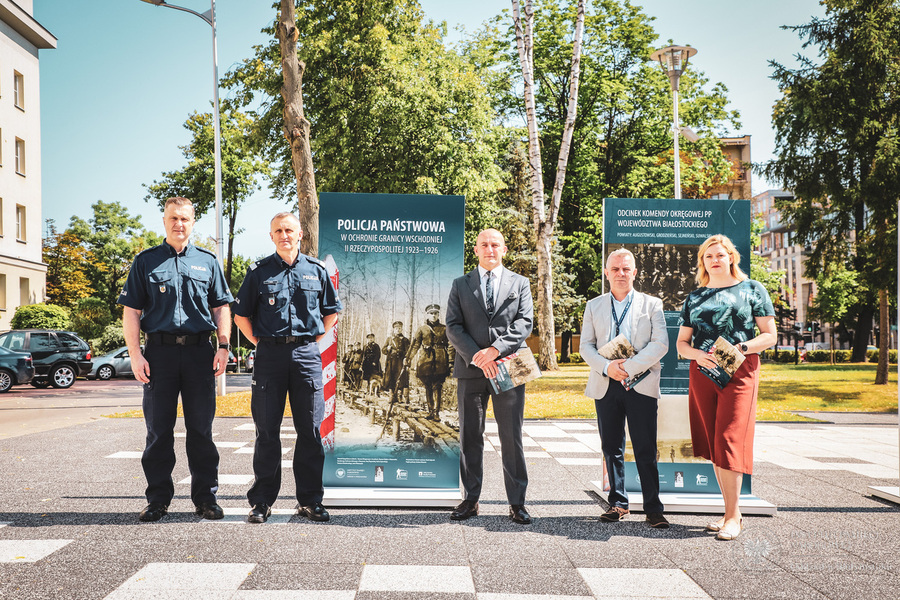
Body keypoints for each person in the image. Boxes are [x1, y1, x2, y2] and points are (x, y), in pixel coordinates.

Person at [119, 197, 233, 523]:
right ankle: (157, 500)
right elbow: (131, 311)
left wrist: (223, 346)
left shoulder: (208, 262)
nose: (179, 224)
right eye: (173, 218)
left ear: (193, 222)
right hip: (159, 355)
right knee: (158, 431)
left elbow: (221, 307)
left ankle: (205, 499)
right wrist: (135, 354)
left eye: (184, 218)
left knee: (201, 431)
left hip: (199, 354)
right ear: (164, 221)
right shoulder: (145, 261)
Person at [233, 212, 342, 524]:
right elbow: (241, 314)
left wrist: (308, 341)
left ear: (300, 234)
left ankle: (310, 500)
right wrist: (261, 342)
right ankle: (262, 501)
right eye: (278, 231)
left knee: (310, 431)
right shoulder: (258, 272)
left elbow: (331, 312)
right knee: (267, 431)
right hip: (269, 356)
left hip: (306, 355)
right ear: (271, 236)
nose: (284, 235)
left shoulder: (317, 271)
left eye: (289, 230)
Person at [676, 234, 776, 541]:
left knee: (729, 439)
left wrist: (742, 347)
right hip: (704, 372)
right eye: (708, 257)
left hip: (740, 370)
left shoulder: (752, 289)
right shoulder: (694, 297)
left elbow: (770, 336)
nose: (715, 260)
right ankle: (729, 513)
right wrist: (698, 355)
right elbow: (681, 344)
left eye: (720, 255)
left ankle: (734, 517)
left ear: (731, 257)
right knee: (715, 443)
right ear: (703, 262)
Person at [446, 228, 534, 524]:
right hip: (471, 369)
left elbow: (524, 322)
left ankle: (517, 503)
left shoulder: (520, 283)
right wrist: (477, 356)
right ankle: (470, 500)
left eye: (495, 244)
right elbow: (453, 326)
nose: (490, 249)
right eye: (484, 244)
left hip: (508, 366)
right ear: (476, 250)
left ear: (504, 249)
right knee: (470, 435)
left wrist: (494, 351)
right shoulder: (460, 284)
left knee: (511, 436)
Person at [580, 248, 670, 529]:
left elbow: (660, 344)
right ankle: (618, 503)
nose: (621, 273)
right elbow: (585, 346)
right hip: (606, 384)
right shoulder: (594, 305)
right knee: (611, 447)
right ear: (606, 273)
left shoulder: (652, 304)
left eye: (626, 269)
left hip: (640, 385)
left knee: (645, 447)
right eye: (615, 269)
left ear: (635, 273)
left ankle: (653, 508)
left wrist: (628, 367)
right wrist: (608, 368)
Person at [407, 305, 451, 420]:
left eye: (435, 313)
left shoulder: (445, 329)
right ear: (427, 315)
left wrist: (451, 361)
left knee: (437, 386)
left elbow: (450, 345)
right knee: (428, 386)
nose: (433, 315)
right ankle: (430, 411)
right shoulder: (422, 329)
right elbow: (415, 345)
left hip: (440, 361)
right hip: (426, 361)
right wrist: (409, 358)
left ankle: (436, 413)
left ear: (438, 314)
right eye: (431, 313)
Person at [382, 321, 410, 403]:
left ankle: (399, 395)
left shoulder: (405, 340)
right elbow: (383, 350)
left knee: (400, 378)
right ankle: (391, 395)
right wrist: (387, 349)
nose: (398, 330)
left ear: (402, 329)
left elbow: (408, 352)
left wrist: (407, 361)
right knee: (390, 378)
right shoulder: (389, 339)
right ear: (394, 329)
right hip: (391, 362)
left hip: (400, 362)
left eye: (400, 328)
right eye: (396, 328)